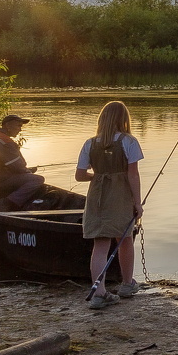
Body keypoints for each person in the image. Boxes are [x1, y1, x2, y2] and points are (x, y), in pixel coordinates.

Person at [75, 101, 144, 310]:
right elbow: (133, 175)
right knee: (124, 239)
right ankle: (127, 284)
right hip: (120, 196)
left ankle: (99, 293)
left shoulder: (89, 143)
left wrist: (98, 177)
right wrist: (137, 203)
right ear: (123, 119)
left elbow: (79, 176)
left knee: (100, 244)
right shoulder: (129, 141)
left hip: (97, 196)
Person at [0, 114, 45, 212]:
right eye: (18, 126)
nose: (20, 129)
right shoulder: (6, 142)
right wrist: (28, 172)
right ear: (8, 126)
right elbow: (19, 167)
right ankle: (6, 203)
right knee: (37, 179)